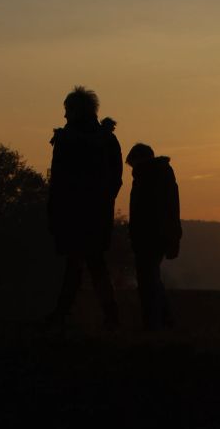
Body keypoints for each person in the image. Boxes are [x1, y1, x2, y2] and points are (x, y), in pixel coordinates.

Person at [47, 86, 122, 329]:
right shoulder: (107, 140)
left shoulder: (67, 139)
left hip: (72, 212)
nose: (65, 116)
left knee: (76, 263)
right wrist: (103, 200)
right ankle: (108, 314)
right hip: (96, 213)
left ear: (77, 110)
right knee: (93, 263)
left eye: (68, 110)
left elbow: (58, 180)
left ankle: (64, 312)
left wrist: (57, 208)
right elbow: (115, 179)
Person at [125, 143, 181, 330]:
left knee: (148, 280)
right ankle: (164, 321)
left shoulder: (149, 177)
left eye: (133, 164)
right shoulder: (158, 175)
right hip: (154, 236)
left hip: (150, 236)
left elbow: (155, 210)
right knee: (151, 279)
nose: (132, 169)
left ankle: (154, 323)